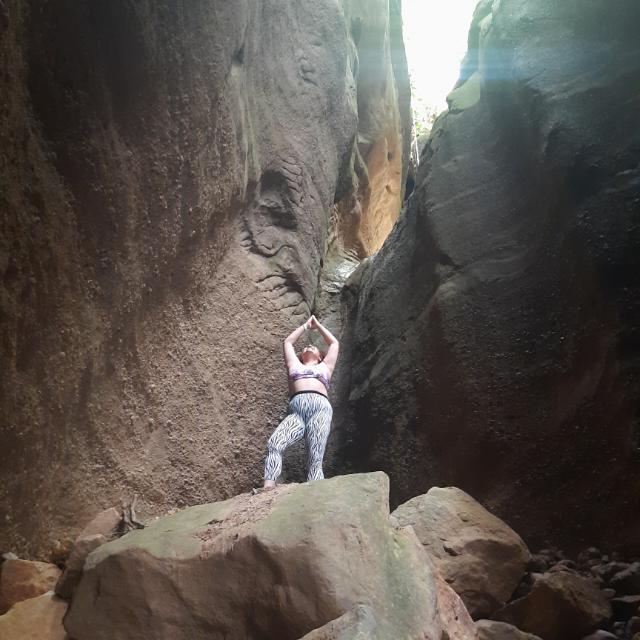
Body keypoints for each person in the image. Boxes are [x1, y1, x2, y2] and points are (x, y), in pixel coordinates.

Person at [263, 314, 339, 489]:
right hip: (297, 411)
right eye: (305, 347)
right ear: (301, 356)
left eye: (313, 347)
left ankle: (315, 492)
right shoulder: (294, 365)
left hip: (320, 409)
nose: (309, 346)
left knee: (315, 457)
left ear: (320, 357)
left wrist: (317, 325)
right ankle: (268, 486)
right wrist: (305, 326)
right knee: (274, 444)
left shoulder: (325, 367)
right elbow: (288, 342)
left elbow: (334, 343)